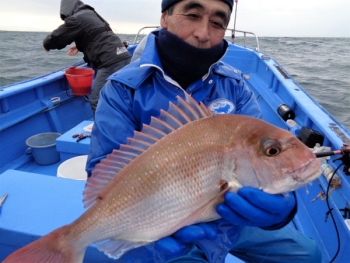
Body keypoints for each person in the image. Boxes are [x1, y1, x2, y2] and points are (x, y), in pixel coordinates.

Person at [86, 0, 322, 262]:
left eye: (217, 23)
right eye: (192, 14)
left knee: (306, 254)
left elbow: (259, 156)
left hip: (229, 219)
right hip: (159, 218)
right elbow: (103, 174)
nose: (202, 33)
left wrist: (283, 208)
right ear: (165, 17)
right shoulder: (122, 89)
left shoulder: (235, 86)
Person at [43, 0, 131, 116]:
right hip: (124, 56)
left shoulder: (76, 18)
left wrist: (46, 44)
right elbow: (97, 34)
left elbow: (59, 36)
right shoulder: (91, 14)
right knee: (123, 97)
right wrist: (79, 46)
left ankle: (105, 132)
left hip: (110, 62)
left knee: (97, 101)